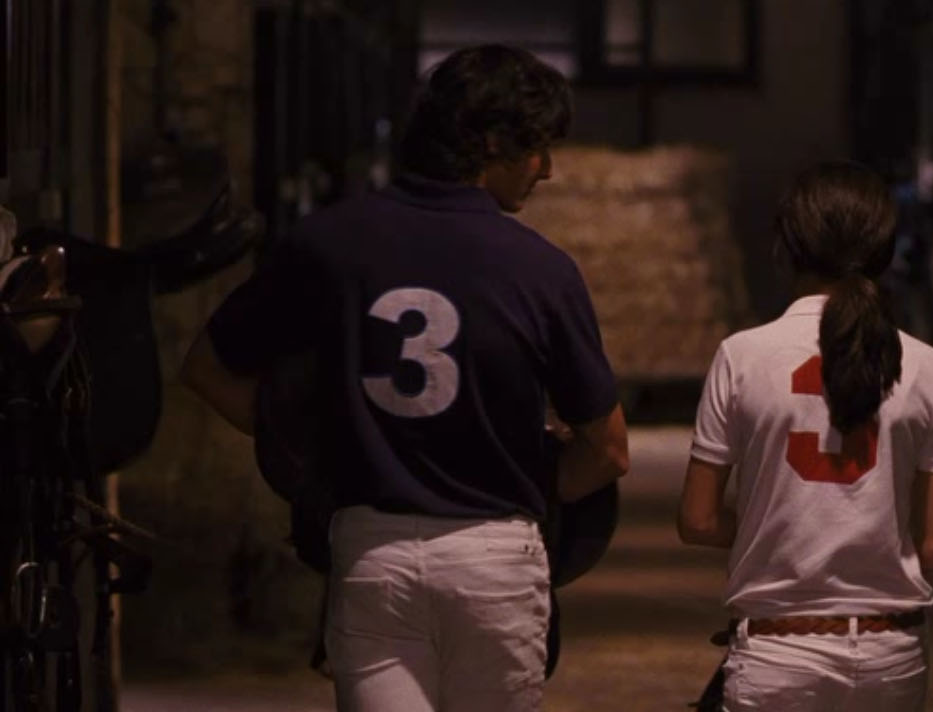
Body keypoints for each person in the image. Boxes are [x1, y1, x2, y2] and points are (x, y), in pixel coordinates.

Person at [181, 44, 629, 712]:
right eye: (538, 147)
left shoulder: (326, 242)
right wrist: (532, 485)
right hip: (494, 556)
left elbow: (207, 370)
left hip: (373, 551)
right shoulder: (542, 270)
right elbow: (609, 450)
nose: (548, 169)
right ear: (492, 141)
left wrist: (314, 452)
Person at [677, 161, 933, 712]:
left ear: (786, 249)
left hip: (778, 651)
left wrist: (782, 525)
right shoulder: (928, 367)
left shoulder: (741, 356)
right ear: (884, 251)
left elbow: (699, 519)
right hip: (891, 653)